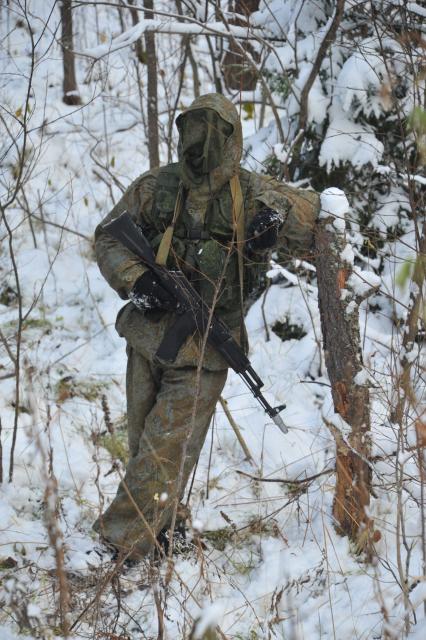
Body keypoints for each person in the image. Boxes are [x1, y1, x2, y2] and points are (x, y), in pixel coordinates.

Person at [93, 93, 320, 560]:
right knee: (145, 446)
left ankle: (119, 543)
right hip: (148, 334)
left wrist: (273, 223)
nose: (201, 147)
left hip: (206, 347)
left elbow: (316, 213)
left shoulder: (254, 192)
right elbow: (108, 235)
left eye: (212, 136)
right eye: (194, 135)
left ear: (230, 139)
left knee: (165, 449)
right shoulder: (156, 187)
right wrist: (135, 280)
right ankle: (163, 528)